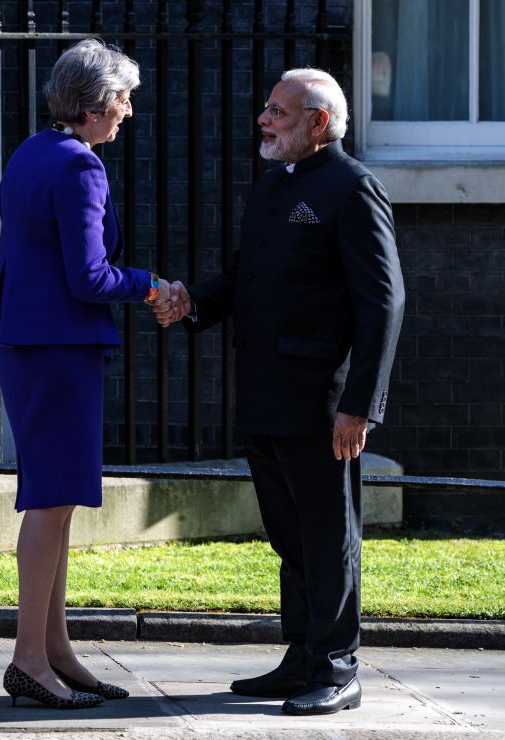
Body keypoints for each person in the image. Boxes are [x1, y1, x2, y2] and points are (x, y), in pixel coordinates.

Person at [153, 68, 405, 716]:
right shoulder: (272, 187)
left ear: (318, 122)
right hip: (265, 393)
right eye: (266, 108)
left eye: (279, 112)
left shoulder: (352, 188)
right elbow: (243, 280)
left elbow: (384, 303)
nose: (264, 120)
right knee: (290, 536)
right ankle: (303, 658)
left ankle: (338, 665)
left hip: (323, 403)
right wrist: (190, 303)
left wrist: (359, 407)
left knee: (329, 536)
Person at [0, 39, 170, 710]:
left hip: (26, 339)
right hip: (57, 344)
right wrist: (151, 288)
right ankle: (30, 659)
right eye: (122, 99)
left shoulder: (31, 152)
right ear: (91, 105)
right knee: (51, 502)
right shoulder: (81, 168)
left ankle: (56, 651)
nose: (127, 112)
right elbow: (89, 276)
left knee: (52, 500)